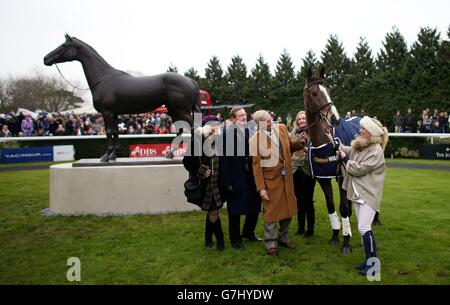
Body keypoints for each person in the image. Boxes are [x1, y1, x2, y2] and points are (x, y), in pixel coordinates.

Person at [338, 116, 388, 276]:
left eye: (363, 129)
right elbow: (350, 150)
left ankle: (374, 267)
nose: (359, 131)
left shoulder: (376, 150)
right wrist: (338, 145)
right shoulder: (365, 145)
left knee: (364, 228)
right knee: (363, 228)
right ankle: (368, 262)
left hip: (368, 194)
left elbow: (358, 169)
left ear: (370, 133)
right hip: (359, 193)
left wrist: (345, 159)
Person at [249, 110, 302, 256]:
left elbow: (289, 146)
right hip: (271, 182)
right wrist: (261, 188)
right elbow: (257, 167)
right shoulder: (254, 141)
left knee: (288, 210)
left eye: (270, 118)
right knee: (271, 214)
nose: (270, 121)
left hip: (287, 179)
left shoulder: (282, 129)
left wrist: (300, 143)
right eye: (266, 121)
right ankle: (270, 242)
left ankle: (283, 237)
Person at [220, 107, 261, 250]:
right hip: (235, 177)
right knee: (235, 209)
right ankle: (235, 239)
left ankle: (248, 232)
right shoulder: (226, 136)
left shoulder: (250, 132)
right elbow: (224, 161)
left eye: (245, 115)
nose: (244, 117)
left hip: (251, 176)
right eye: (240, 116)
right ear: (232, 119)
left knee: (255, 206)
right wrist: (227, 183)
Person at [183, 115, 225, 250]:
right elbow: (187, 161)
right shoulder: (198, 140)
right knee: (213, 211)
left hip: (218, 182)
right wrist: (200, 171)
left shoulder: (220, 140)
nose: (215, 127)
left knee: (212, 210)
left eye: (217, 125)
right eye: (213, 124)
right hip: (205, 184)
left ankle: (208, 240)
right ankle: (220, 241)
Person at [289, 111, 316, 237]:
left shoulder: (314, 133)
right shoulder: (292, 133)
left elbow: (317, 150)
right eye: (299, 119)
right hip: (294, 170)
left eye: (304, 118)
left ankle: (310, 230)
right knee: (299, 201)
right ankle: (300, 227)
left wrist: (306, 148)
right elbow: (288, 149)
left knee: (308, 201)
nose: (301, 121)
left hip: (307, 170)